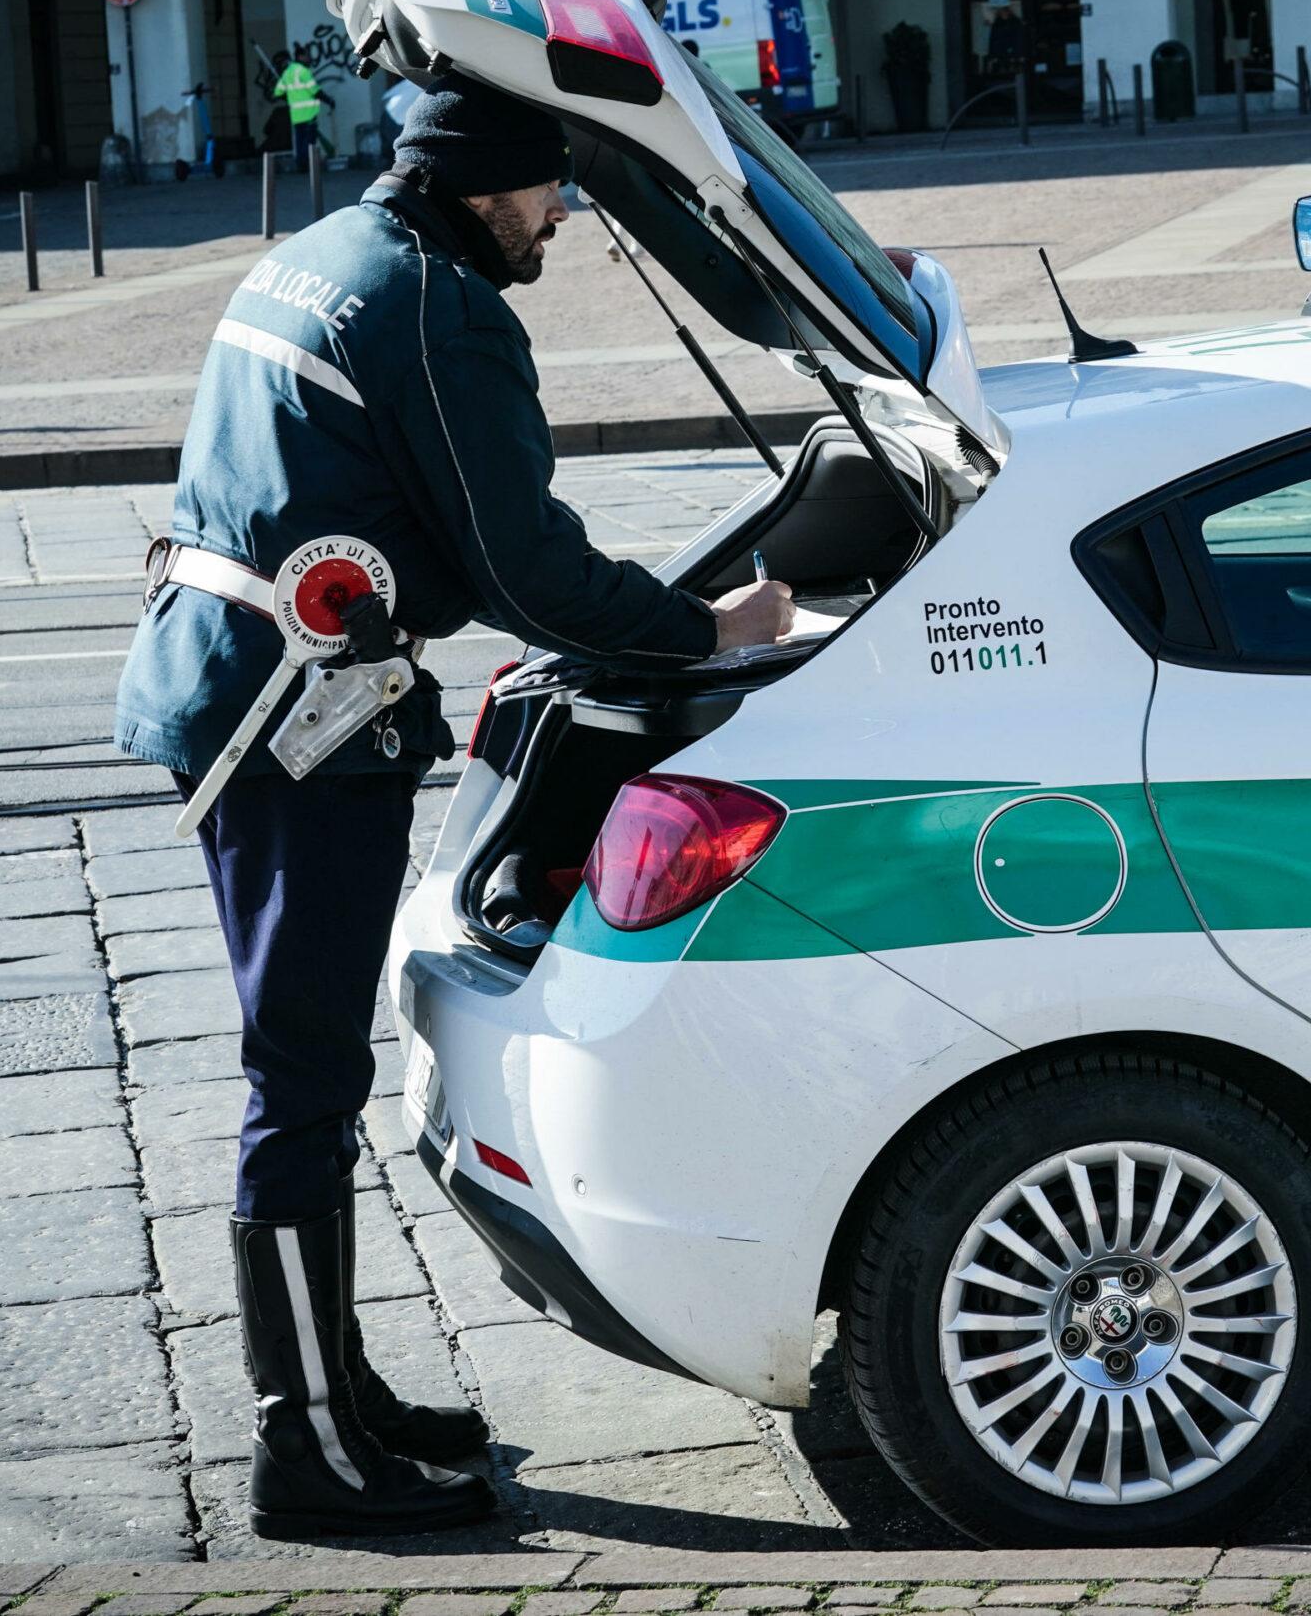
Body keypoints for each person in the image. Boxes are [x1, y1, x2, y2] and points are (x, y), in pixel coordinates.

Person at [113, 75, 792, 1540]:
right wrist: (714, 633)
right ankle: (308, 1449)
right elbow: (526, 568)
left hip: (237, 684)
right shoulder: (439, 304)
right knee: (299, 1079)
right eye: (555, 191)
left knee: (309, 1073)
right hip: (290, 725)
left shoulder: (325, 250)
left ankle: (337, 1390)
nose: (561, 217)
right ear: (491, 184)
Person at [273, 57, 327, 171]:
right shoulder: (303, 71)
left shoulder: (287, 74)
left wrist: (289, 98)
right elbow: (315, 90)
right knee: (309, 141)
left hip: (296, 115)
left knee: (299, 140)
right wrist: (329, 100)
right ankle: (308, 165)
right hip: (309, 113)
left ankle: (300, 164)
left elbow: (278, 92)